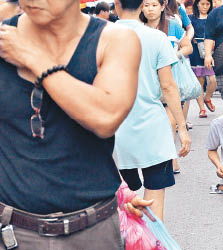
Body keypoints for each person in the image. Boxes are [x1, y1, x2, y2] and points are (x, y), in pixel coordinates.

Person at [0, 0, 150, 248]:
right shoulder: (5, 38)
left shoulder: (114, 40)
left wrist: (33, 59)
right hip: (13, 232)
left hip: (92, 231)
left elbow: (105, 118)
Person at [114, 0, 191, 221]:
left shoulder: (100, 36)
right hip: (152, 128)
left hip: (115, 129)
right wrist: (182, 128)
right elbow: (168, 86)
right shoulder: (156, 38)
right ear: (141, 6)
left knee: (117, 201)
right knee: (154, 198)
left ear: (116, 5)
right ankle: (155, 242)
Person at [141, 0, 194, 174]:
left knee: (170, 122)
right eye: (147, 5)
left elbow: (188, 47)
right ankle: (156, 158)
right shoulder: (139, 28)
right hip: (147, 84)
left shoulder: (172, 26)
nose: (150, 9)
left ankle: (172, 160)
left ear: (162, 6)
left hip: (170, 81)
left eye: (154, 5)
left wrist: (173, 55)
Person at [189, 0, 217, 118]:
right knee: (199, 80)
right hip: (196, 51)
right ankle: (201, 109)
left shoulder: (213, 17)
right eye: (202, 4)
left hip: (210, 50)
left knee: (212, 79)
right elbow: (187, 33)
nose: (205, 6)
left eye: (207, 4)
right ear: (197, 4)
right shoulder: (191, 18)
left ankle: (208, 98)